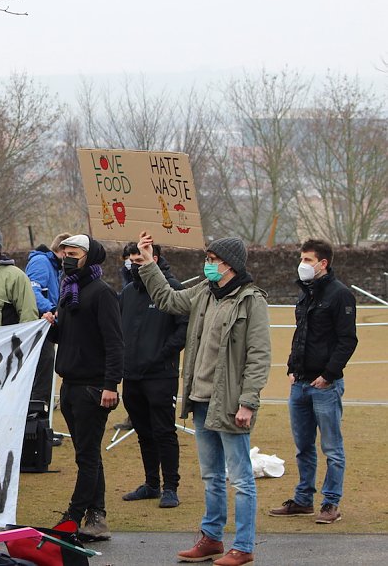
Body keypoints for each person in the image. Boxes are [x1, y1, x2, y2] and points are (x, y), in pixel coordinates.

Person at [136, 232, 270, 566]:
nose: (207, 264)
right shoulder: (204, 293)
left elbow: (259, 355)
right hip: (200, 399)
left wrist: (248, 402)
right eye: (207, 258)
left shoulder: (252, 300)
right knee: (211, 476)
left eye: (212, 260)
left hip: (230, 402)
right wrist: (149, 261)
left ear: (231, 265)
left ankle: (243, 546)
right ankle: (211, 538)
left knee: (240, 478)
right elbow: (168, 299)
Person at [269, 239, 357, 525]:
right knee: (303, 446)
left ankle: (331, 503)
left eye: (308, 259)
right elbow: (302, 334)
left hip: (325, 386)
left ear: (323, 263)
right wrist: (293, 368)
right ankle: (304, 499)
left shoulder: (340, 295)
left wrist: (328, 375)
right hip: (300, 383)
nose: (302, 264)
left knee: (332, 448)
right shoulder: (305, 294)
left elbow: (347, 341)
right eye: (302, 258)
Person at [45, 234, 123, 541]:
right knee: (87, 454)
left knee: (86, 457)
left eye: (73, 252)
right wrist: (52, 325)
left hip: (93, 388)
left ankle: (74, 515)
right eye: (64, 251)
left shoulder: (103, 294)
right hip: (70, 386)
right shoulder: (69, 290)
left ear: (87, 257)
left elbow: (115, 343)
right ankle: (97, 516)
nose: (66, 256)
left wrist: (111, 385)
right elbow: (66, 336)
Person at [119, 242, 188, 509]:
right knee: (143, 432)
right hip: (132, 375)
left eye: (139, 260)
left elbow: (182, 330)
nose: (134, 265)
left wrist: (161, 354)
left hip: (161, 375)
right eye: (131, 261)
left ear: (154, 258)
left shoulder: (173, 289)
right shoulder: (127, 293)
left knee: (164, 431)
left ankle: (171, 487)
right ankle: (151, 484)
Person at [25, 232, 72, 407]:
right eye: (69, 254)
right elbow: (33, 290)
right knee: (44, 363)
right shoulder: (41, 262)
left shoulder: (55, 267)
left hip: (48, 323)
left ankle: (43, 404)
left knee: (47, 363)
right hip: (38, 322)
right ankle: (37, 408)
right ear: (61, 250)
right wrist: (51, 309)